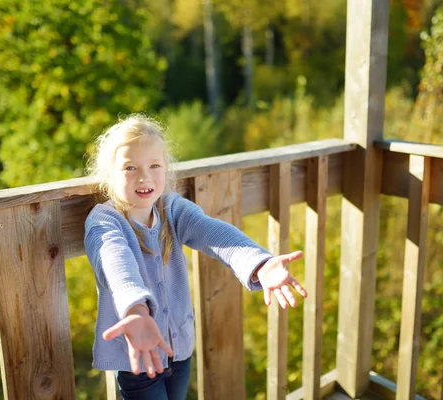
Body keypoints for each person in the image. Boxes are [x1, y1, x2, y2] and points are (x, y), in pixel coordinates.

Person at [84, 114, 307, 400]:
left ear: (166, 169)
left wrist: (260, 263)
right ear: (109, 175)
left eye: (154, 165)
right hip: (138, 356)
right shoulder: (105, 221)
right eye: (130, 168)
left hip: (179, 351)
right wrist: (136, 311)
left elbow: (213, 233)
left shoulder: (172, 208)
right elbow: (116, 263)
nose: (144, 176)